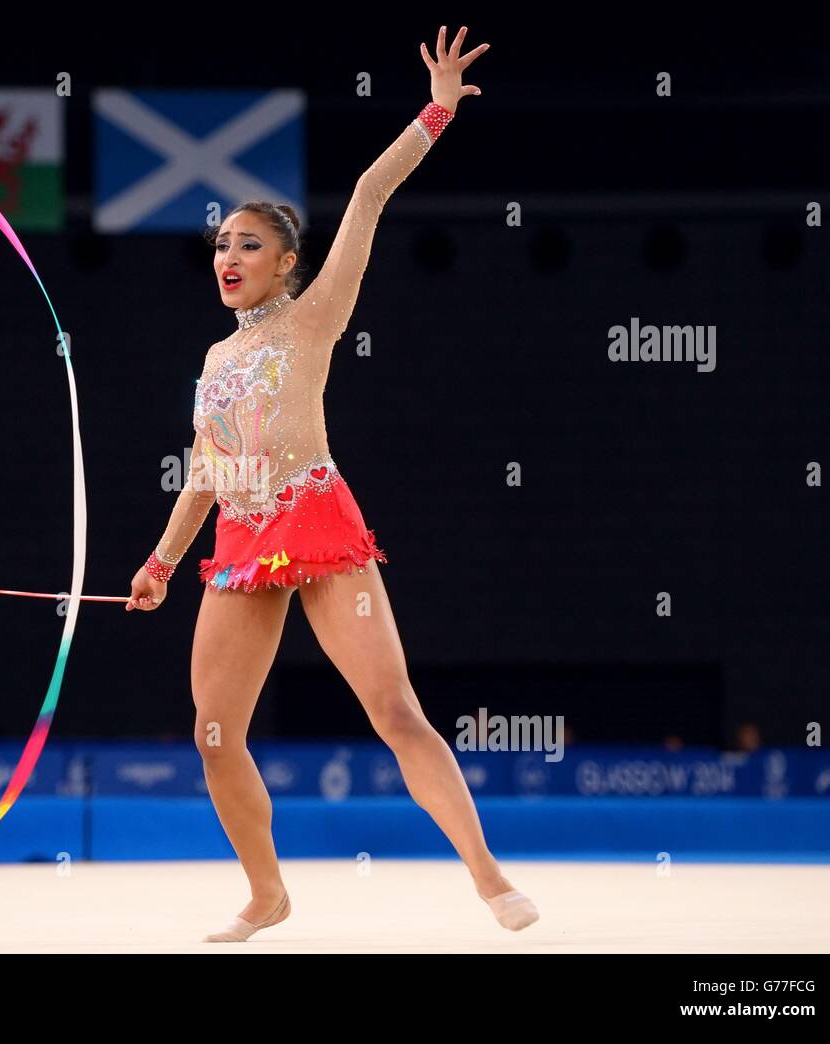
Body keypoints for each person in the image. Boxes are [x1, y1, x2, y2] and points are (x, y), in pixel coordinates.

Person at [127, 26, 538, 941]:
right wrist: (160, 562)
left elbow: (367, 194)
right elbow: (210, 469)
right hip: (240, 536)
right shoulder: (215, 356)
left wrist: (434, 109)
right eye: (219, 245)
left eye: (246, 245)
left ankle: (486, 872)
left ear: (285, 262)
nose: (227, 258)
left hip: (313, 519)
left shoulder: (312, 320)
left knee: (394, 710)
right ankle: (266, 891)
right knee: (213, 733)